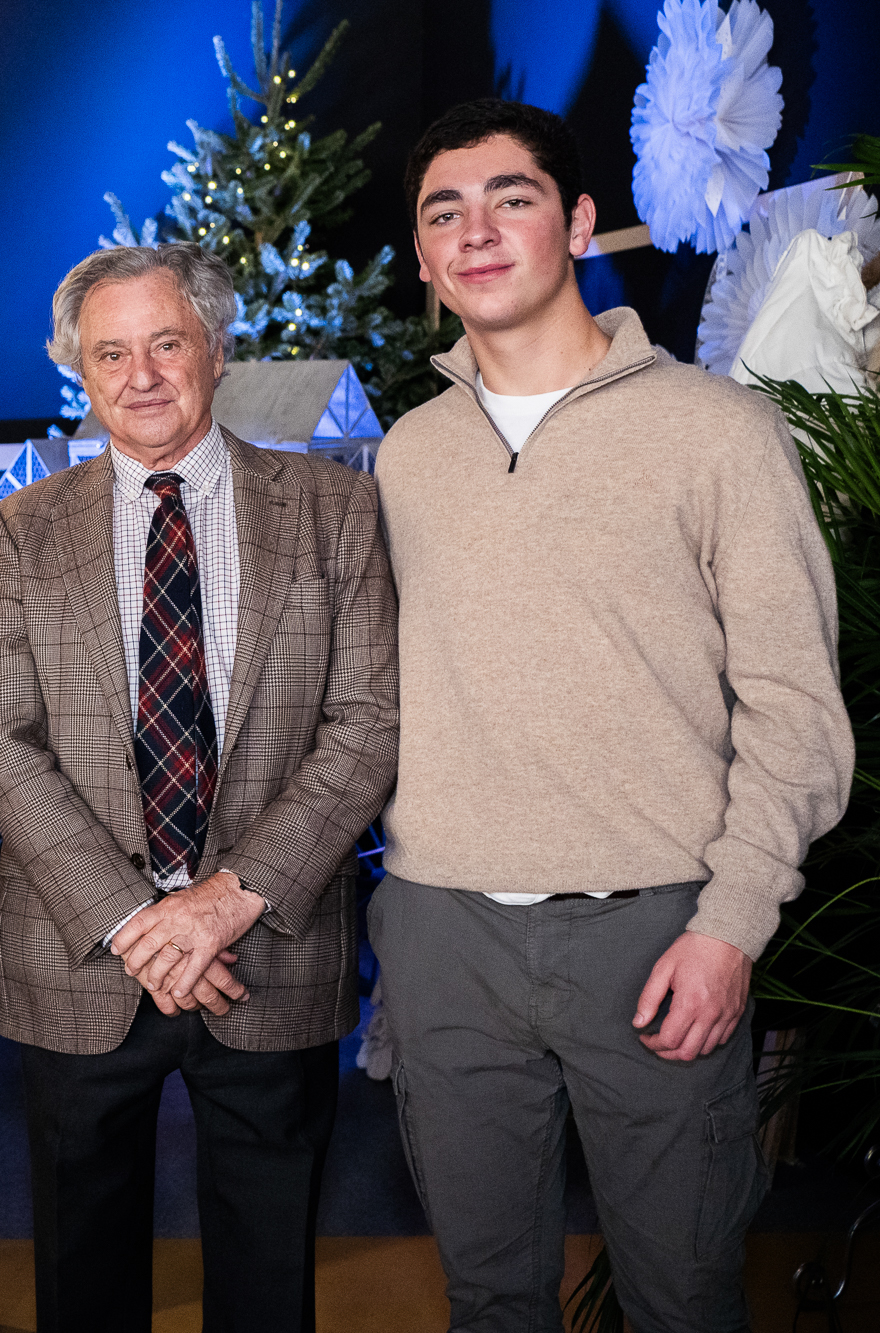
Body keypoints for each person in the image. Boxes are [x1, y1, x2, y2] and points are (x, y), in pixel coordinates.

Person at [371, 99, 854, 1333]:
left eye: (509, 199)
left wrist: (732, 925)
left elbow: (795, 709)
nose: (474, 232)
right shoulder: (406, 455)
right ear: (423, 258)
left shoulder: (716, 432)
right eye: (444, 213)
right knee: (487, 1299)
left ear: (578, 223)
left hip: (656, 935)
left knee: (681, 1297)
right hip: (443, 939)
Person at [0, 243, 400, 1333]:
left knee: (265, 1289)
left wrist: (222, 902)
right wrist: (134, 920)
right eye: (109, 352)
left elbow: (366, 723)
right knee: (81, 1289)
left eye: (165, 342)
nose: (140, 374)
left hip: (268, 947)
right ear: (79, 369)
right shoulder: (20, 526)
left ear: (215, 345)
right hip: (79, 959)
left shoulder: (329, 510)